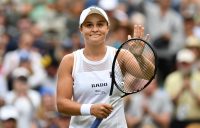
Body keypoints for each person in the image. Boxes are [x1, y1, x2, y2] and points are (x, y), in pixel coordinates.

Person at [56, 6, 154, 128]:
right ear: (81, 29)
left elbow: (148, 74)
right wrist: (90, 109)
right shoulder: (70, 61)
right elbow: (61, 104)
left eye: (100, 24)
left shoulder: (120, 56)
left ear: (107, 28)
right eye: (89, 25)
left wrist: (139, 56)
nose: (95, 29)